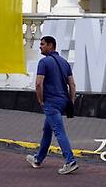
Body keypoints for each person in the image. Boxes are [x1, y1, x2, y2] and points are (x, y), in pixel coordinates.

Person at [26, 35, 78, 175]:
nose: (40, 46)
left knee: (58, 131)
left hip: (51, 102)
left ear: (50, 45)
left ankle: (70, 160)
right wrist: (71, 102)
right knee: (47, 129)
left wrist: (40, 99)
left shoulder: (44, 62)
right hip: (63, 101)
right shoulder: (64, 62)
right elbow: (72, 84)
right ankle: (38, 159)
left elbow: (38, 83)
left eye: (42, 44)